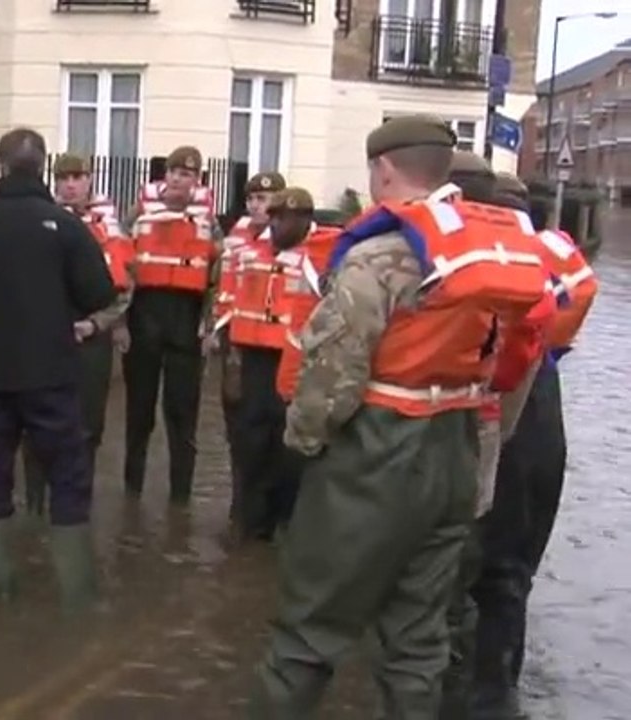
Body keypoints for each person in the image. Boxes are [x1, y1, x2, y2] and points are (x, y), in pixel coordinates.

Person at [250, 115, 549, 718]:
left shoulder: (380, 254)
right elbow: (518, 354)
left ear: (384, 169)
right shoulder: (489, 248)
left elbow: (335, 370)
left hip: (378, 450)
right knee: (418, 641)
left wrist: (303, 441)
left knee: (308, 631)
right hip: (455, 447)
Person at [0, 128, 115, 612]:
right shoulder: (67, 227)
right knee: (67, 476)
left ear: (1, 167)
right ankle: (76, 592)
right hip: (52, 374)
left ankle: (2, 583)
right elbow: (99, 294)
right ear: (42, 167)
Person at [431, 153, 558, 720]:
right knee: (510, 577)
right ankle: (500, 688)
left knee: (467, 574)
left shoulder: (465, 267)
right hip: (541, 426)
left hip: (497, 430)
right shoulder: (545, 270)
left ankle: (468, 697)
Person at [468, 170, 599, 719]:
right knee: (515, 565)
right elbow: (577, 297)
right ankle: (500, 686)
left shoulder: (478, 251)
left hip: (495, 397)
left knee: (473, 561)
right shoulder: (556, 253)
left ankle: (469, 689)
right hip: (543, 397)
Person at [21, 152, 135, 515]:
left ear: (89, 180)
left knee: (88, 423)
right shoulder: (38, 222)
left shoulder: (111, 229)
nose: (70, 185)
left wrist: (98, 323)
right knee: (37, 419)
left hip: (91, 334)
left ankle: (74, 501)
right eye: (63, 178)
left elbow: (125, 287)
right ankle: (36, 502)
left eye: (77, 177)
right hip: (44, 336)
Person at [121, 146, 218, 505]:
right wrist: (120, 323)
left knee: (182, 413)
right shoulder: (139, 211)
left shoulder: (209, 220)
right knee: (138, 411)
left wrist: (209, 324)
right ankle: (132, 489)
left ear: (197, 181)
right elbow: (121, 265)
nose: (179, 179)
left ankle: (181, 496)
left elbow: (217, 275)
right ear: (166, 176)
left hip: (186, 321)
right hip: (144, 316)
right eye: (174, 172)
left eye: (187, 174)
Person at [256, 186, 341, 535]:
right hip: (282, 373)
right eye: (273, 217)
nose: (276, 224)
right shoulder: (288, 254)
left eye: (285, 218)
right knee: (269, 454)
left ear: (306, 220)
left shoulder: (327, 257)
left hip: (312, 382)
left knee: (303, 468)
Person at [213, 172, 288, 540]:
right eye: (255, 199)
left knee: (277, 436)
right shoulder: (235, 242)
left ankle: (271, 514)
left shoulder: (297, 245)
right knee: (240, 428)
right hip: (238, 340)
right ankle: (242, 508)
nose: (261, 206)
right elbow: (221, 286)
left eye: (268, 199)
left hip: (280, 349)